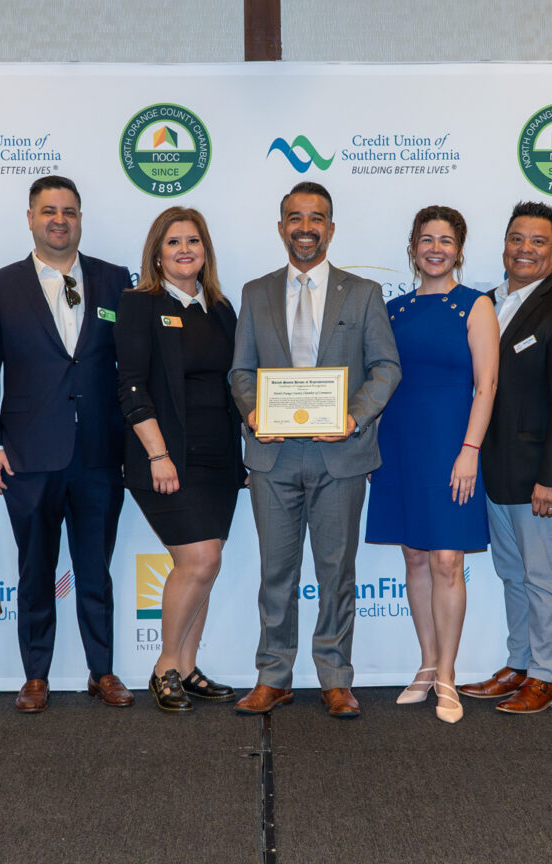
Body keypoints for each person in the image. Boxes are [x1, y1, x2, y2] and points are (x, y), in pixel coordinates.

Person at [229, 181, 401, 720]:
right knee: (276, 573)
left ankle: (335, 678)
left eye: (317, 218)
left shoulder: (364, 293)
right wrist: (253, 412)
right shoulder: (255, 292)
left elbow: (386, 367)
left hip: (340, 455)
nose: (306, 228)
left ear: (331, 227)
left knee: (336, 573)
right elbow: (241, 371)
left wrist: (352, 417)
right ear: (282, 227)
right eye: (296, 218)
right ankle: (273, 676)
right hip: (273, 456)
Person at [0, 176, 134, 713]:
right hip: (27, 456)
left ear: (80, 218)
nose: (59, 220)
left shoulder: (114, 279)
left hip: (100, 453)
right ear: (31, 218)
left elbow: (130, 366)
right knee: (36, 570)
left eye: (69, 211)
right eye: (48, 211)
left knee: (95, 570)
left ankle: (102, 672)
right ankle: (35, 675)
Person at [458, 201, 552, 715]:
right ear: (503, 246)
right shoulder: (485, 303)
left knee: (544, 579)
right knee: (513, 575)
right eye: (517, 238)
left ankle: (545, 677)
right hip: (493, 471)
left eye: (538, 242)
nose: (525, 249)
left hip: (539, 475)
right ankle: (518, 665)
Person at [367, 205, 498, 724]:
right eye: (426, 239)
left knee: (447, 561)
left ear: (459, 250)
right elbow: (380, 381)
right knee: (416, 559)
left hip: (452, 447)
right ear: (412, 248)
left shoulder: (476, 306)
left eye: (445, 240)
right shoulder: (393, 311)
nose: (435, 248)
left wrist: (470, 451)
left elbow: (486, 385)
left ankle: (447, 673)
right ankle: (425, 664)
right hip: (400, 445)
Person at [115, 207, 245, 713]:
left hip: (219, 460)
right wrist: (158, 453)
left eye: (193, 241)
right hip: (165, 459)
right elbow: (131, 386)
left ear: (205, 252)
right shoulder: (139, 304)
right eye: (173, 242)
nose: (184, 250)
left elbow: (237, 384)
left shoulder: (221, 309)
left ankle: (188, 670)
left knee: (205, 567)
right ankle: (165, 666)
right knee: (200, 559)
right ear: (157, 254)